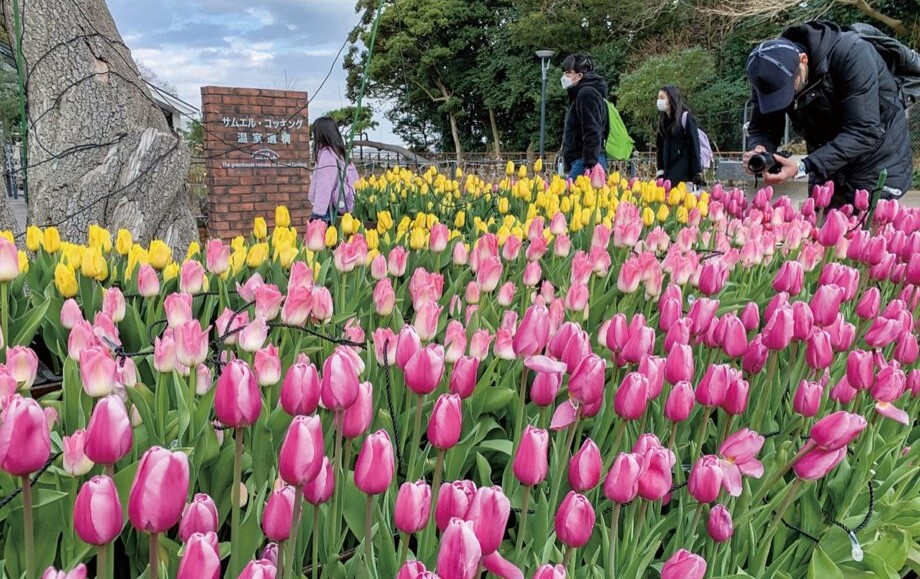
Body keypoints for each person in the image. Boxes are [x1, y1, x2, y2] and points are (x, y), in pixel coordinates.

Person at [744, 21, 912, 207]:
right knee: (821, 225)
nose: (786, 96)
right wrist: (759, 149)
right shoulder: (766, 74)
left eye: (788, 87)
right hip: (825, 155)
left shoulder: (852, 54)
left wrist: (803, 166)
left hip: (875, 156)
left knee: (864, 228)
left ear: (803, 60)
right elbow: (762, 127)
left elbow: (864, 130)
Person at [560, 54, 608, 180]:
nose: (564, 77)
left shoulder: (586, 94)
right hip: (584, 158)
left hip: (585, 159)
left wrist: (590, 164)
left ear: (579, 75)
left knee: (574, 196)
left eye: (567, 73)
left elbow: (592, 129)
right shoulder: (582, 93)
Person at [308, 116, 358, 223]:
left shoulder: (327, 154)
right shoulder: (341, 154)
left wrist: (318, 212)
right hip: (342, 206)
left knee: (320, 238)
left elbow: (324, 185)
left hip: (328, 210)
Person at [655, 85, 703, 187]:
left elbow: (694, 145)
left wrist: (696, 172)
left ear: (671, 98)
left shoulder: (685, 117)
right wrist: (660, 170)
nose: (659, 101)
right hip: (668, 171)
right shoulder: (663, 121)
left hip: (684, 172)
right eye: (658, 98)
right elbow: (660, 148)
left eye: (662, 98)